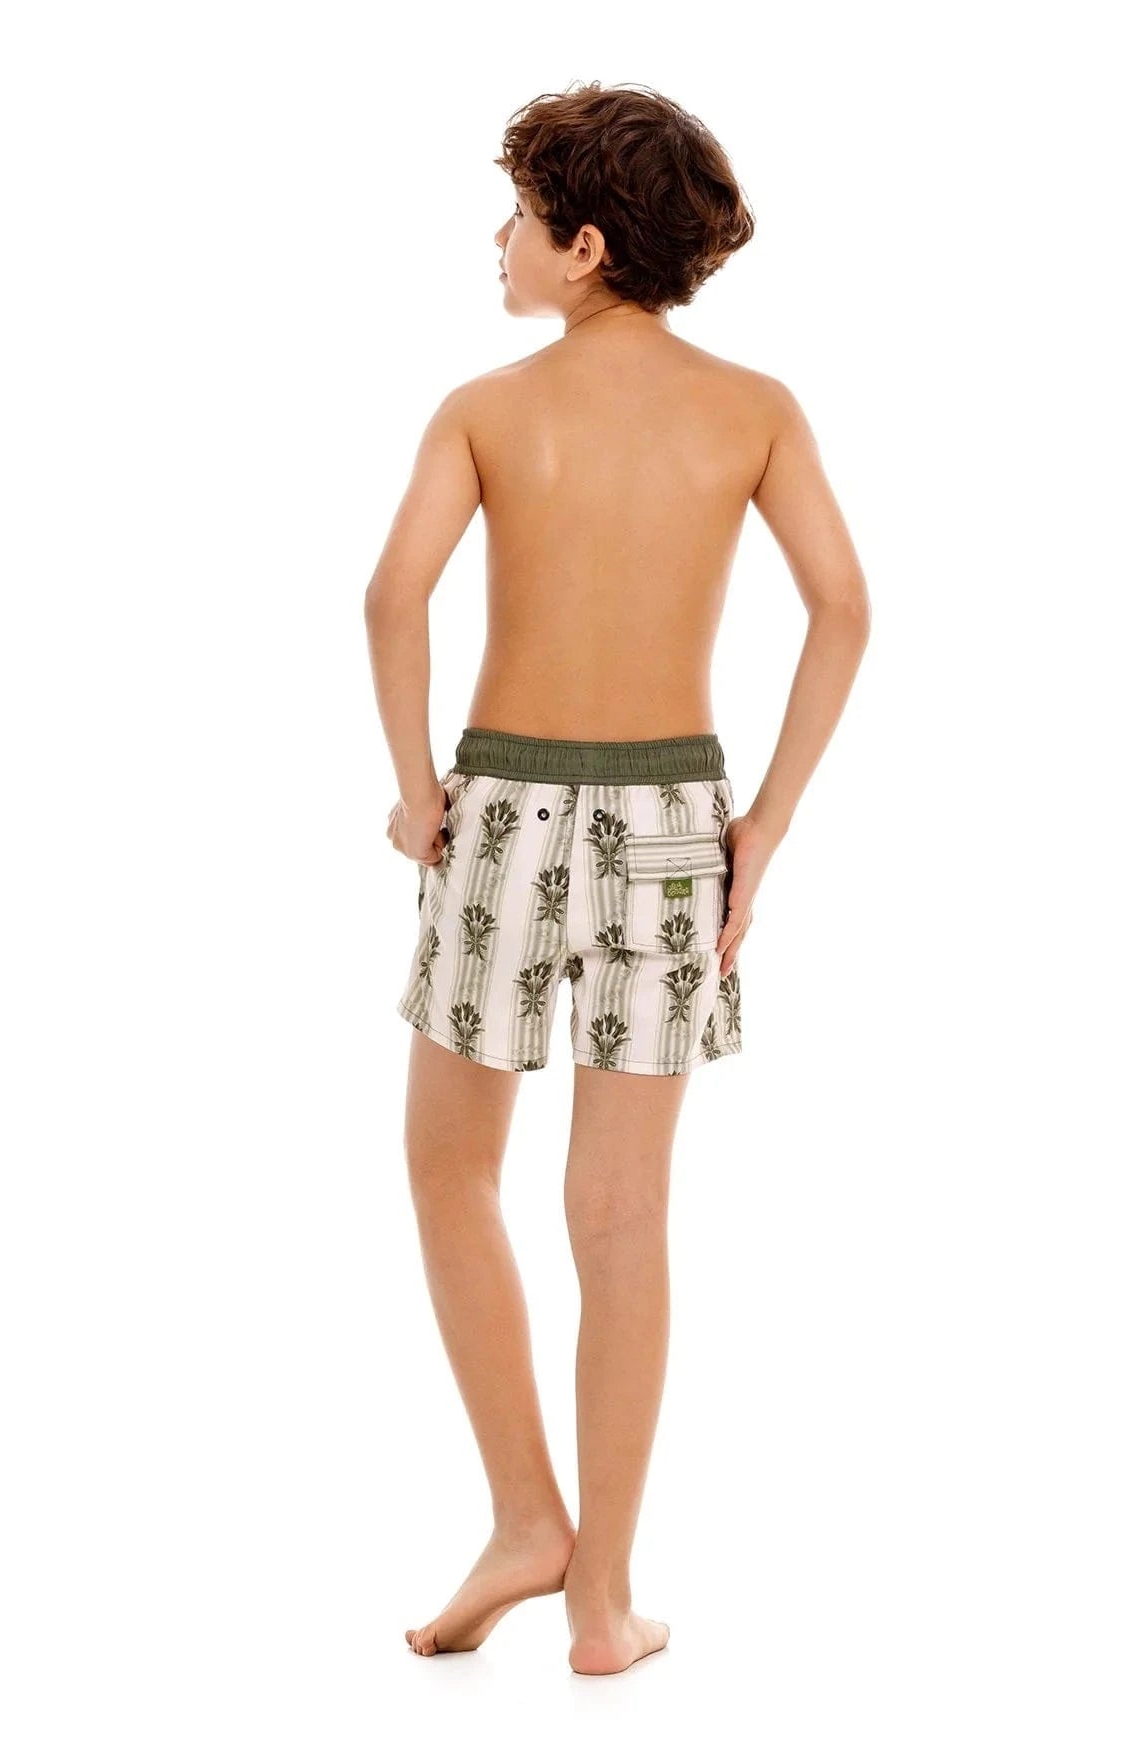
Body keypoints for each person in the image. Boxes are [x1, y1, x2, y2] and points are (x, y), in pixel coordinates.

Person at [364, 80, 871, 1676]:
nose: (496, 240)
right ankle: (601, 1600)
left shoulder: (484, 409)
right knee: (623, 1208)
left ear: (582, 246)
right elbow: (843, 606)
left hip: (503, 811)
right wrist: (761, 825)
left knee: (451, 1165)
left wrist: (416, 792)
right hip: (670, 823)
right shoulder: (755, 407)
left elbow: (390, 597)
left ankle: (529, 1513)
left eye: (517, 217)